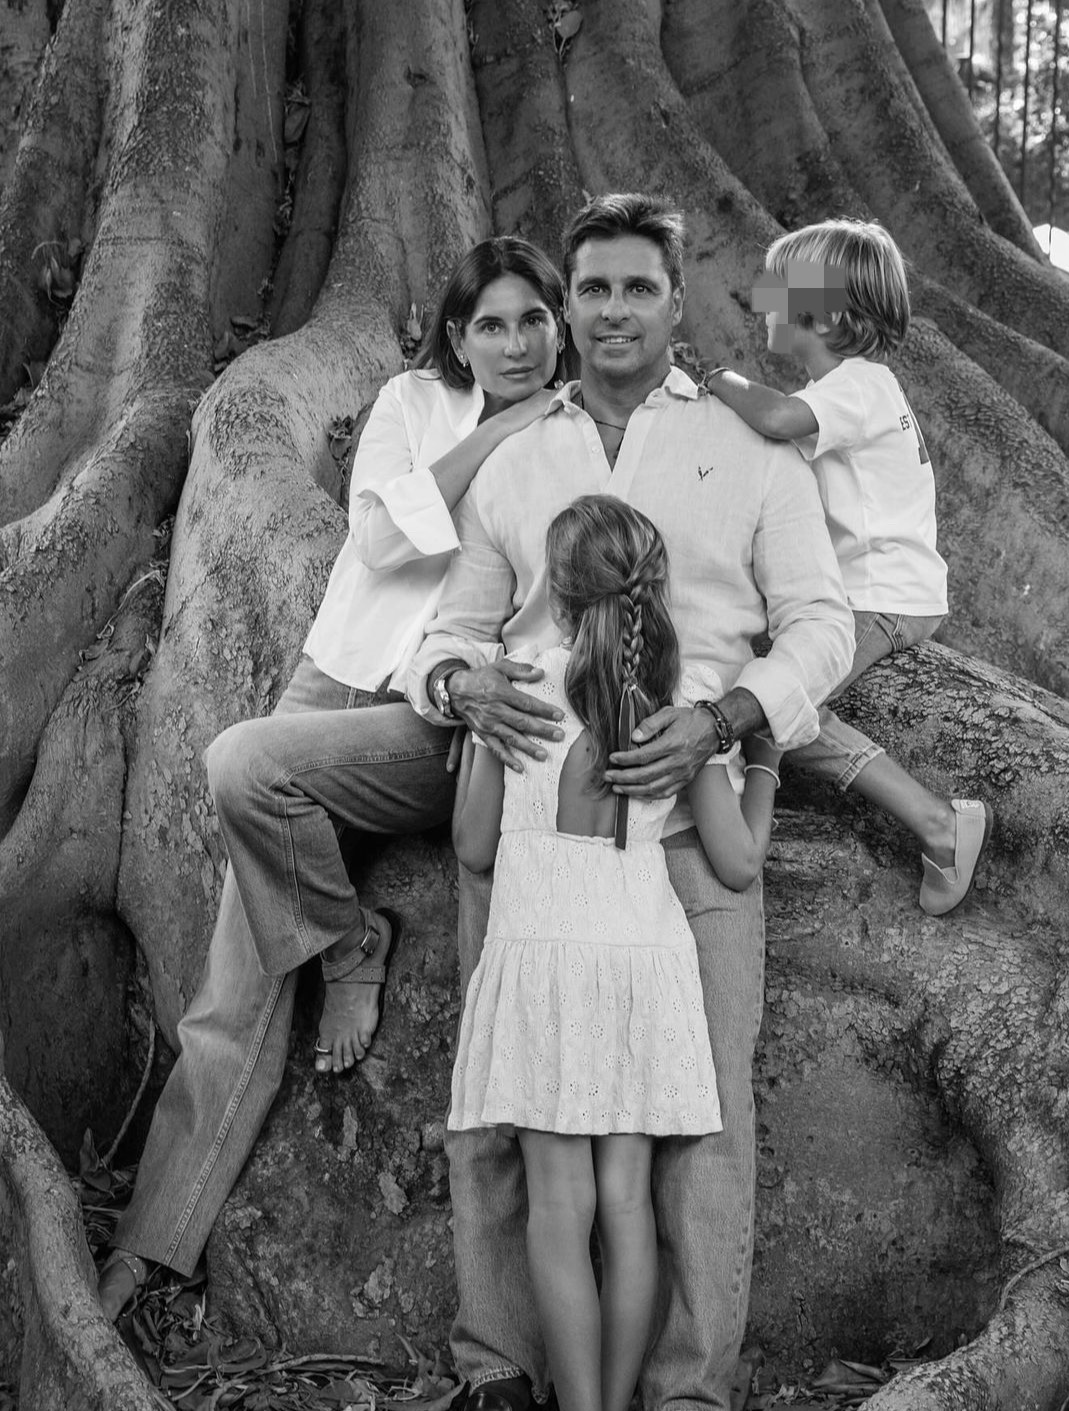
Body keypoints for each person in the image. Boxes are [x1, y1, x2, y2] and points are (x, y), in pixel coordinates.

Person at [408, 193, 855, 1411]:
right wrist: (467, 693)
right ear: (568, 308)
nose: (612, 310)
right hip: (541, 816)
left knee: (698, 1136)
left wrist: (726, 721)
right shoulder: (517, 450)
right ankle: (501, 1372)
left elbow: (823, 624)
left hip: (687, 805)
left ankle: (685, 1394)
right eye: (591, 289)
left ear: (675, 301)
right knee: (506, 1120)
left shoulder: (747, 448)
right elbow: (448, 628)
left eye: (636, 288)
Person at [96, 236, 568, 1320]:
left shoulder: (587, 430)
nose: (513, 341)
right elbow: (378, 534)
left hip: (441, 706)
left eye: (533, 320)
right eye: (489, 323)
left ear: (561, 326)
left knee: (254, 783)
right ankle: (152, 1239)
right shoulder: (410, 401)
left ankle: (352, 942)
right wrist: (499, 431)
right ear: (457, 335)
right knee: (235, 973)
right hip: (337, 672)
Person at [448, 495, 783, 1411]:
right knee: (628, 1206)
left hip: (540, 957)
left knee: (560, 1210)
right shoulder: (675, 709)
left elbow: (474, 847)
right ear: (654, 592)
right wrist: (763, 771)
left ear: (554, 597)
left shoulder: (510, 688)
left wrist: (481, 741)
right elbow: (737, 860)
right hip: (642, 959)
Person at [703, 217, 991, 915]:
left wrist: (718, 379)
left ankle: (940, 824)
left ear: (825, 311)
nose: (760, 299)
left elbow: (771, 417)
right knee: (771, 693)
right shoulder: (850, 390)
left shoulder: (855, 386)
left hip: (880, 596)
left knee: (775, 701)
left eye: (778, 288)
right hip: (880, 589)